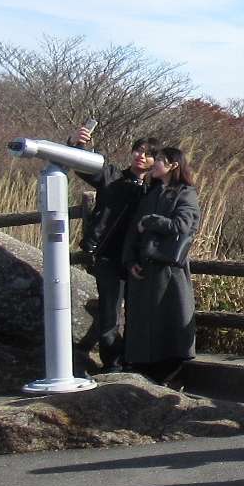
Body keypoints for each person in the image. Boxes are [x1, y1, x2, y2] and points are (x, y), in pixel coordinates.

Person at [68, 127, 152, 372]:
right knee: (110, 313)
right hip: (108, 256)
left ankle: (135, 360)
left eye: (147, 154)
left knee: (137, 312)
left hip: (138, 259)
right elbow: (85, 166)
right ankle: (113, 364)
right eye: (138, 150)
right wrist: (77, 145)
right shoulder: (113, 176)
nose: (140, 156)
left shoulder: (154, 189)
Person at [121, 143, 201, 386]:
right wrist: (130, 259)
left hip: (168, 269)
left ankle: (166, 373)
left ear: (172, 165)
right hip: (144, 266)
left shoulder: (186, 193)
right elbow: (133, 230)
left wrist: (151, 220)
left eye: (158, 159)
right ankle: (142, 367)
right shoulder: (151, 192)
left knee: (170, 319)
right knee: (142, 321)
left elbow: (182, 226)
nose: (153, 162)